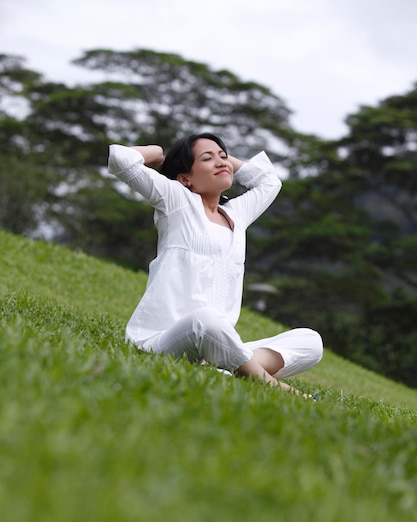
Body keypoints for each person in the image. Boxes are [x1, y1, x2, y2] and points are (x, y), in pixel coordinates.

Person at [108, 133, 323, 396]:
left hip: (213, 341)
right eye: (207, 158)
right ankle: (272, 385)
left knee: (311, 342)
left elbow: (269, 182)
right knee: (205, 320)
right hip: (162, 340)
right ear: (185, 178)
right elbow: (120, 159)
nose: (222, 162)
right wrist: (159, 153)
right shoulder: (176, 200)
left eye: (224, 156)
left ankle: (220, 367)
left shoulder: (236, 214)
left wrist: (219, 158)